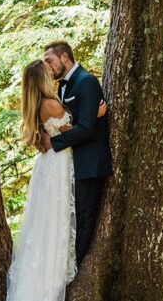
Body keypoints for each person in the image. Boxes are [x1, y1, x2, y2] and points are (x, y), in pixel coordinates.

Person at [0, 60, 106, 301]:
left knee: (48, 224)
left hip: (51, 164)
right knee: (56, 222)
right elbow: (77, 130)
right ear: (42, 80)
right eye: (47, 73)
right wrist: (94, 116)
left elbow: (50, 137)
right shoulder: (51, 105)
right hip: (58, 165)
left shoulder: (38, 105)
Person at [41, 41, 112, 267]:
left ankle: (77, 270)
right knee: (72, 218)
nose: (48, 67)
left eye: (49, 61)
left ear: (64, 58)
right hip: (74, 162)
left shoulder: (86, 82)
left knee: (84, 218)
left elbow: (86, 129)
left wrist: (53, 142)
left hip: (90, 163)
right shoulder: (62, 87)